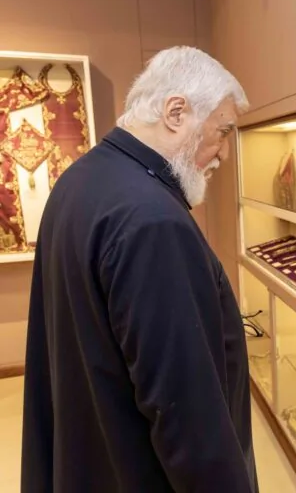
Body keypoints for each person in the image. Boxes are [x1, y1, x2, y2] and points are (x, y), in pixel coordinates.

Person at [21, 46, 257, 493]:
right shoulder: (153, 222)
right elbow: (186, 416)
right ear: (176, 112)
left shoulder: (82, 179)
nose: (224, 153)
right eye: (223, 131)